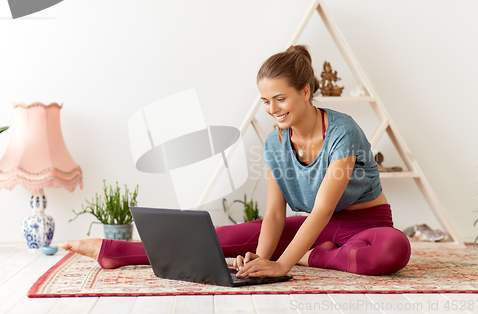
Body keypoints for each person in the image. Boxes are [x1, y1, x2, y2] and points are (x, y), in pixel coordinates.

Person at [60, 45, 411, 277]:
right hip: (313, 229)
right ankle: (117, 251)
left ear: (305, 91)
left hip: (365, 226)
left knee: (395, 249)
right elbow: (275, 214)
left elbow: (321, 211)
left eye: (280, 98)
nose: (273, 109)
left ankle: (313, 256)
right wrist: (261, 258)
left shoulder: (341, 131)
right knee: (226, 238)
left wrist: (284, 264)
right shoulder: (275, 141)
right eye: (265, 101)